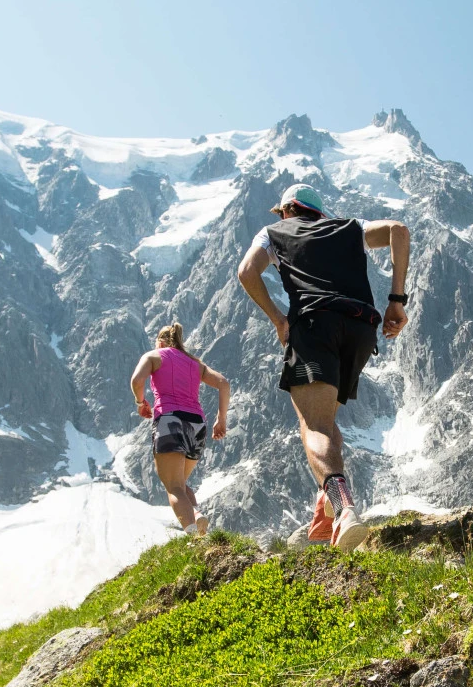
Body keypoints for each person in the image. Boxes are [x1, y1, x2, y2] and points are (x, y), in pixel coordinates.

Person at [234, 183, 410, 551]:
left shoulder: (273, 232)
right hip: (362, 328)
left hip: (315, 324)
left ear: (287, 210)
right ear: (318, 211)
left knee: (313, 423)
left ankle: (344, 508)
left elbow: (247, 272)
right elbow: (398, 230)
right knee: (326, 420)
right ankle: (325, 505)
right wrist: (396, 300)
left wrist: (278, 320)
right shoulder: (348, 227)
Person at [130, 323, 231, 535]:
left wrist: (141, 403)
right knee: (181, 484)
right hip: (197, 424)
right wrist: (221, 419)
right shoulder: (195, 363)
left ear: (160, 342)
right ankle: (196, 517)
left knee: (173, 487)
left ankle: (192, 534)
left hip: (170, 419)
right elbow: (223, 383)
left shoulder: (153, 356)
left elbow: (137, 381)